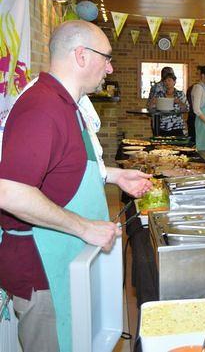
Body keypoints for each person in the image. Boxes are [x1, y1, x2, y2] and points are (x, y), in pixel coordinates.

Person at [0, 20, 152, 352]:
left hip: (65, 260)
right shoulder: (42, 107)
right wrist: (84, 227)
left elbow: (64, 169)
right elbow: (9, 191)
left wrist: (113, 175)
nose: (110, 68)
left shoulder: (67, 103)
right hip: (44, 274)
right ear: (81, 55)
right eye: (106, 58)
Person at [148, 72, 189, 136]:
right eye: (165, 81)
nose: (167, 82)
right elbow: (151, 110)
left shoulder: (180, 94)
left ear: (174, 82)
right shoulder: (159, 95)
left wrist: (179, 102)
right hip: (162, 128)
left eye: (169, 80)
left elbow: (187, 109)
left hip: (177, 127)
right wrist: (152, 102)